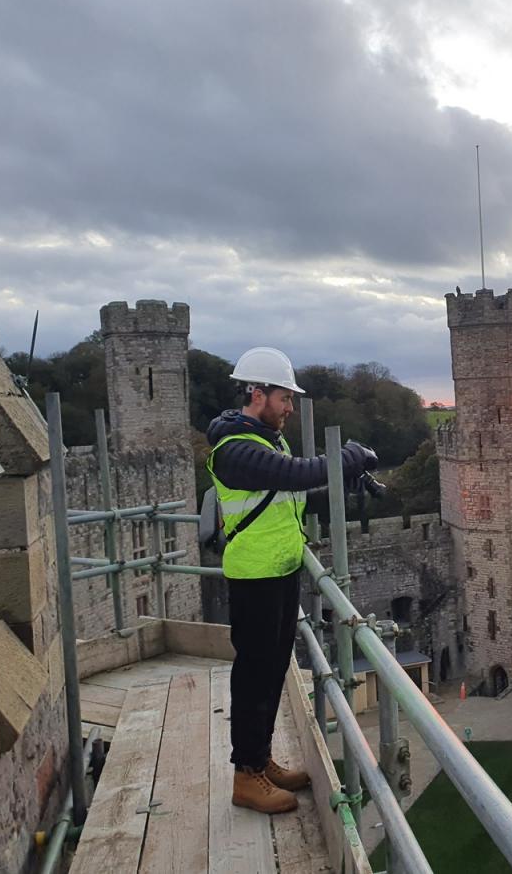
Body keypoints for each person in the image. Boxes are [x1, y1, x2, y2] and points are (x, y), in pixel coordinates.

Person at [206, 346, 376, 814]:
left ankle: (260, 763)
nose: (289, 408)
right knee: (254, 675)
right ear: (257, 394)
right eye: (284, 397)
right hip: (255, 576)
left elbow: (291, 500)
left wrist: (344, 482)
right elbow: (297, 475)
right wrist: (345, 457)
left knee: (272, 671)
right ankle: (246, 777)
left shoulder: (266, 443)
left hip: (279, 572)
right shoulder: (235, 450)